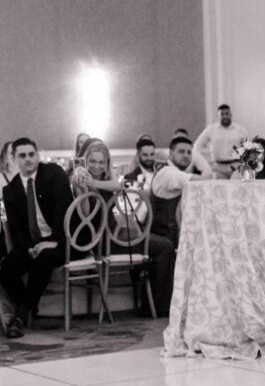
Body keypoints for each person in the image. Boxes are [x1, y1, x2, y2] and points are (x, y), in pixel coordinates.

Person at [71, 141, 177, 317]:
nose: (96, 166)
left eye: (101, 162)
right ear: (86, 161)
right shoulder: (81, 181)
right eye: (92, 161)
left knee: (161, 242)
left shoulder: (102, 181)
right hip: (106, 242)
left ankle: (155, 303)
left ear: (106, 163)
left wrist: (93, 183)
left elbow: (119, 186)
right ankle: (157, 306)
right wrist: (83, 188)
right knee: (164, 246)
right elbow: (86, 215)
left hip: (116, 236)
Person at [0, 137, 75, 335]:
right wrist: (28, 248)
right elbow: (16, 229)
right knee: (6, 268)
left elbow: (64, 211)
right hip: (34, 243)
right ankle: (29, 310)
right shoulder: (10, 190)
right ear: (14, 158)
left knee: (45, 258)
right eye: (22, 156)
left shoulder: (54, 174)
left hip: (64, 239)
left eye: (31, 154)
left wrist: (53, 242)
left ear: (37, 155)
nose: (28, 159)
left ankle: (22, 315)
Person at [150, 136, 212, 248]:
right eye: (181, 151)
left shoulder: (172, 170)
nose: (186, 155)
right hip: (167, 237)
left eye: (189, 152)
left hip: (177, 234)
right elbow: (200, 181)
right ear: (170, 154)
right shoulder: (167, 172)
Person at [194, 104, 248, 179]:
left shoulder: (240, 130)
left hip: (236, 166)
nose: (225, 116)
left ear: (231, 114)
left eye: (227, 114)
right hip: (218, 168)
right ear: (218, 116)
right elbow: (197, 146)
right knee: (217, 188)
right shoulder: (211, 129)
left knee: (236, 187)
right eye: (222, 114)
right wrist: (206, 161)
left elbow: (248, 148)